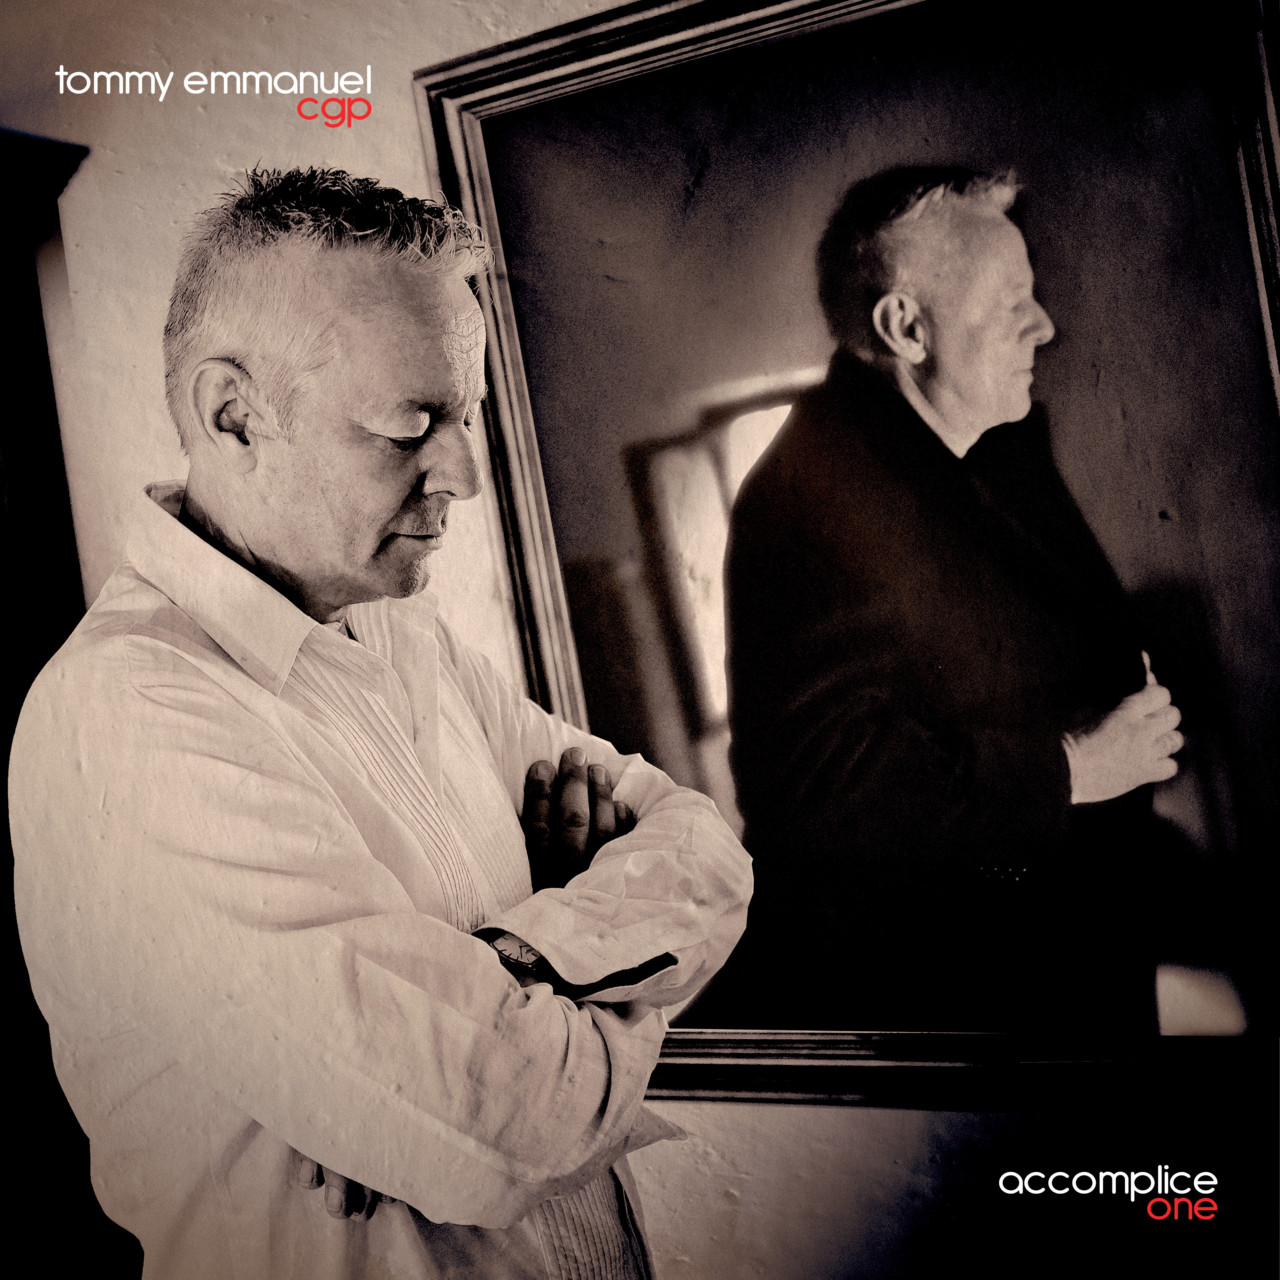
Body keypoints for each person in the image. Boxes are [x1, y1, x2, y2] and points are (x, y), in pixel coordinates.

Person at [10, 167, 751, 1279]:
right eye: (411, 424)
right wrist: (608, 957)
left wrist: (516, 964)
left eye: (467, 415)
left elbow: (704, 844)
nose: (464, 474)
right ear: (234, 415)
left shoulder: (408, 639)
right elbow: (507, 1126)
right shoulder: (127, 716)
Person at [714, 166, 1184, 1032]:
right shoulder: (807, 495)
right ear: (906, 327)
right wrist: (1073, 770)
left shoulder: (995, 442)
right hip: (953, 1007)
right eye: (1012, 303)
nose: (1045, 326)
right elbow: (820, 783)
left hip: (1071, 959)